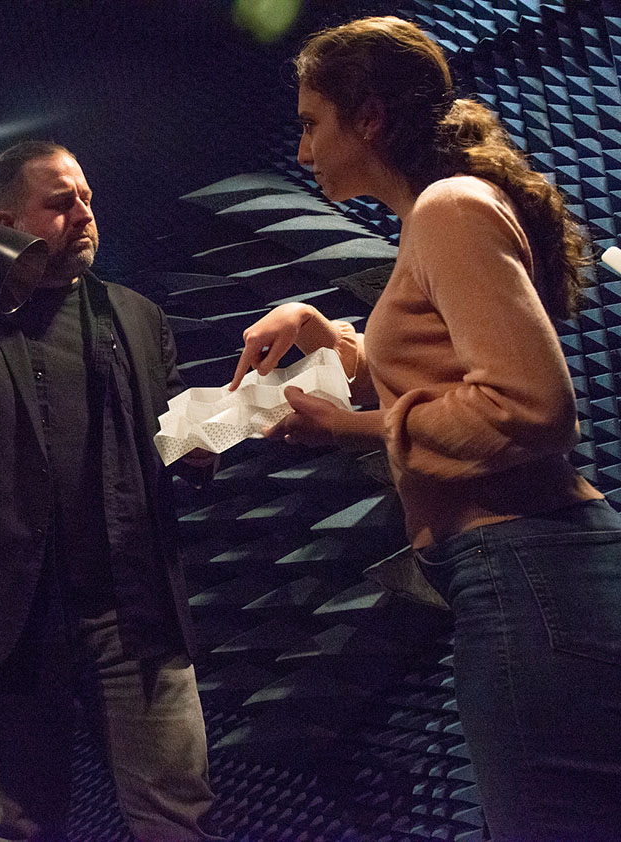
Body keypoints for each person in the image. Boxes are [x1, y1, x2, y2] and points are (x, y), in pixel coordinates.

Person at [228, 16, 621, 841]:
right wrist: (319, 328)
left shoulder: (447, 208)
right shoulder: (443, 212)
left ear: (368, 118)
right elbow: (442, 367)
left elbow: (530, 409)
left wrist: (357, 428)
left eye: (311, 123)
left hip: (526, 569)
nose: (301, 151)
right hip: (528, 572)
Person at [0, 141, 218, 842]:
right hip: (7, 622)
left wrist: (204, 445)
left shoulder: (138, 316)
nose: (83, 213)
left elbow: (170, 430)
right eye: (59, 202)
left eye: (85, 198)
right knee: (25, 825)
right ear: (4, 217)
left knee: (179, 818)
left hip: (133, 614)